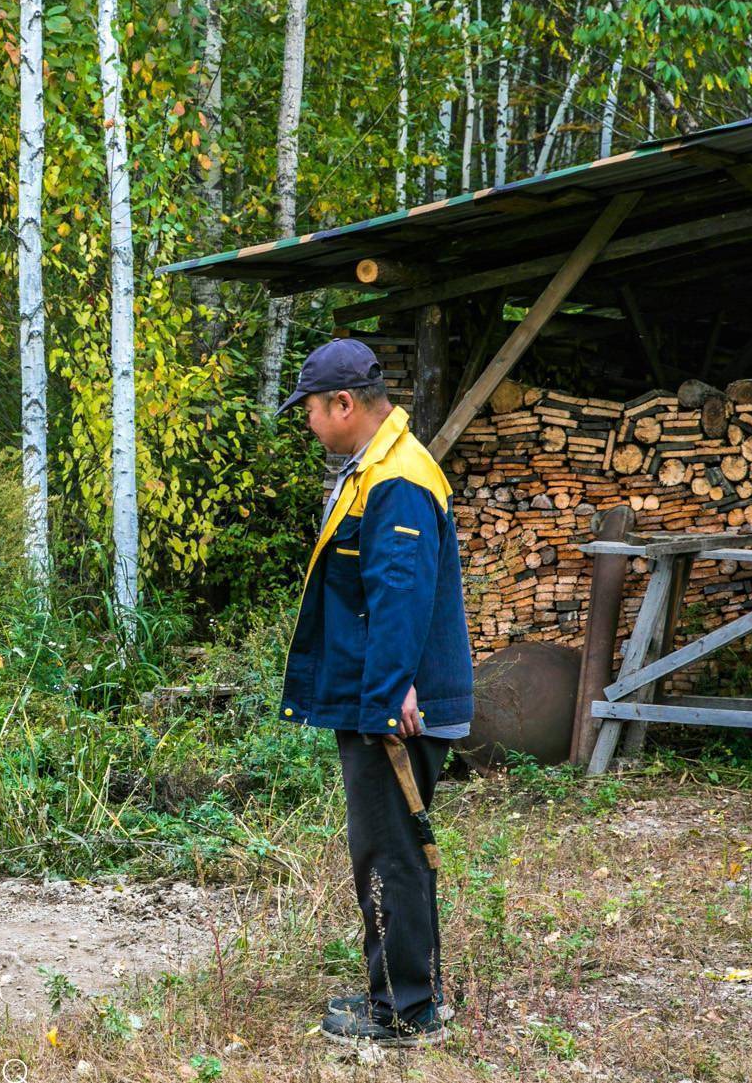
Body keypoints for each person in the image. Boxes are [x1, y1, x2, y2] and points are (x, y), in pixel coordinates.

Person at [275, 337, 474, 1047]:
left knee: (388, 851)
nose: (307, 421)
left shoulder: (398, 478)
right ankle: (408, 994)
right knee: (393, 847)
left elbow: (400, 597)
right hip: (385, 698)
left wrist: (389, 699)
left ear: (344, 404)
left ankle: (405, 1013)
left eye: (310, 409)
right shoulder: (374, 469)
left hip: (395, 708)